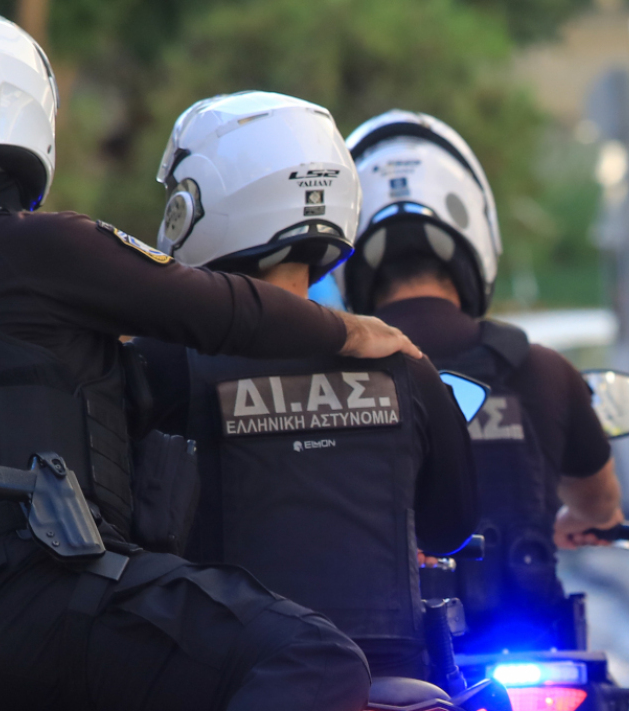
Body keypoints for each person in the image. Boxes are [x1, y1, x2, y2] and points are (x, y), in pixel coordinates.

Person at [0, 7, 422, 711]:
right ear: (30, 110)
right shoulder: (38, 246)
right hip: (61, 602)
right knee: (317, 657)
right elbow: (214, 306)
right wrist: (345, 332)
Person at [132, 92, 478, 680]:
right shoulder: (402, 362)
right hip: (393, 674)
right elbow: (450, 526)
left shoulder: (161, 362)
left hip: (231, 677)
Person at [342, 110, 625, 653]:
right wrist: (585, 519)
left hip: (377, 652)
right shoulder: (542, 368)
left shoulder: (329, 371)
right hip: (523, 640)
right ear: (473, 239)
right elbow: (600, 501)